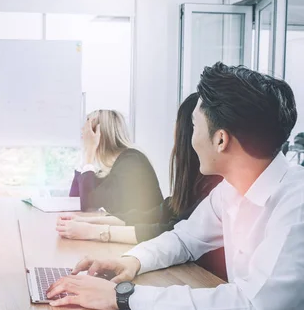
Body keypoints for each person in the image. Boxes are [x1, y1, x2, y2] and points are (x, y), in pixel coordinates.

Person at [46, 63, 304, 310]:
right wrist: (132, 260)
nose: (189, 139)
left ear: (221, 140)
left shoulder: (297, 204)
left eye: (194, 126)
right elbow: (184, 239)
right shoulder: (231, 189)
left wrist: (123, 297)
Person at [57, 94, 222, 245]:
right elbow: (77, 201)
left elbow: (90, 204)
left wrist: (95, 230)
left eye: (87, 132)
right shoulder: (113, 166)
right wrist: (88, 223)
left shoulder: (131, 161)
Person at [69, 109, 163, 213]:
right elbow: (75, 202)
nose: (83, 133)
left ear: (100, 134)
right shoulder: (106, 171)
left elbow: (89, 205)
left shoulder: (132, 161)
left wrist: (90, 151)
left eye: (88, 130)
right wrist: (86, 157)